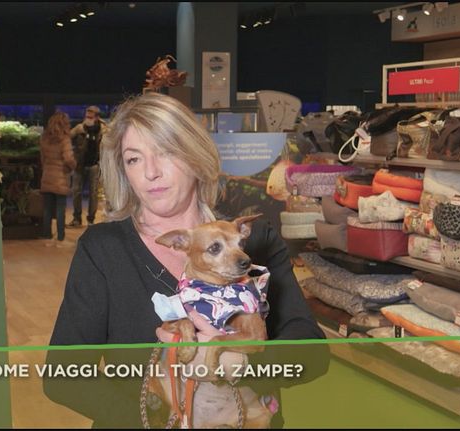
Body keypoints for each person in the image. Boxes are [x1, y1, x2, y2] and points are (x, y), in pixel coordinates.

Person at [43, 93, 329, 428]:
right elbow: (64, 376)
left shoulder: (255, 242)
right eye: (133, 159)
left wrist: (240, 365)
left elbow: (311, 354)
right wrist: (159, 419)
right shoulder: (104, 249)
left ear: (195, 154)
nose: (150, 172)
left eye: (165, 152)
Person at [39, 111, 76, 247]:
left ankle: (47, 235)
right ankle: (60, 237)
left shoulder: (44, 138)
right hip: (60, 177)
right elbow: (68, 158)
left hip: (47, 175)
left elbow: (42, 158)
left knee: (47, 209)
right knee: (60, 209)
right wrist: (73, 166)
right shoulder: (64, 139)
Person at [67, 105, 108, 228]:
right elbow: (67, 137)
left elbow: (111, 139)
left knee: (93, 193)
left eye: (91, 116)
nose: (88, 118)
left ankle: (91, 219)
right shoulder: (80, 128)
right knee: (76, 191)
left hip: (94, 164)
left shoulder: (103, 130)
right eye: (87, 116)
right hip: (79, 164)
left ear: (97, 117)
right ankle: (77, 218)